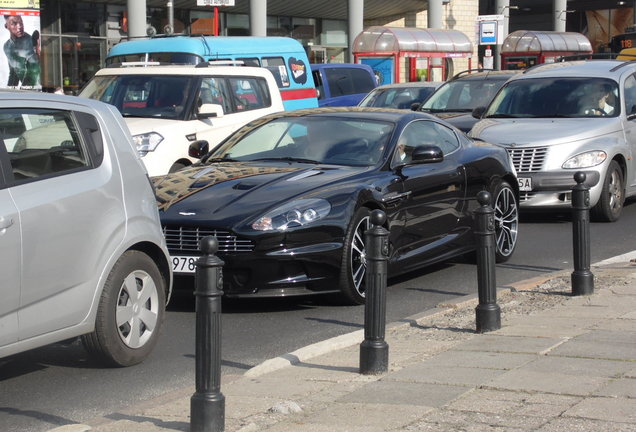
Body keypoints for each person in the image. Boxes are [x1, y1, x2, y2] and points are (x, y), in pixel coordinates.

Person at [3, 14, 40, 87]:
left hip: (33, 88)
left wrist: (24, 89)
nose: (19, 27)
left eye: (21, 23)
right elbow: (13, 72)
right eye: (14, 24)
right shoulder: (6, 46)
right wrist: (9, 90)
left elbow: (34, 70)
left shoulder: (30, 41)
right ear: (6, 26)